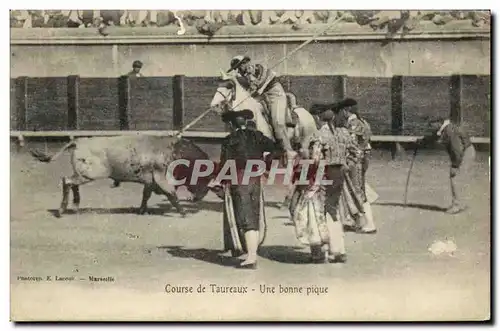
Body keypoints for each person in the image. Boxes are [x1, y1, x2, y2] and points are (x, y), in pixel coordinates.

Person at [217, 109, 277, 269]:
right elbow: (274, 147)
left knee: (245, 217)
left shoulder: (229, 140)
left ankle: (251, 257)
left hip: (239, 179)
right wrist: (266, 163)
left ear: (230, 124)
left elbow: (225, 164)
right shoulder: (257, 135)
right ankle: (252, 253)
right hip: (255, 179)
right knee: (254, 213)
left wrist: (219, 181)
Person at [227, 55, 297, 162]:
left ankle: (288, 150)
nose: (237, 70)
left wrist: (251, 81)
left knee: (277, 122)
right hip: (261, 97)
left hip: (275, 94)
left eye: (238, 67)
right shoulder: (243, 76)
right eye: (235, 69)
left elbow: (260, 84)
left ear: (244, 63)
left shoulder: (259, 68)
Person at [289, 137, 346, 263]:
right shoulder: (330, 163)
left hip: (313, 195)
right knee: (332, 219)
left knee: (313, 224)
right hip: (329, 193)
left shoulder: (306, 163)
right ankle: (337, 250)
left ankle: (318, 254)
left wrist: (294, 198)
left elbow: (300, 183)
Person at [416, 118, 476, 214]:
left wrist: (455, 166)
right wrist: (422, 141)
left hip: (465, 153)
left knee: (455, 177)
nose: (430, 127)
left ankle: (457, 205)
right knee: (458, 178)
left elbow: (457, 149)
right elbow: (434, 137)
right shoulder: (445, 128)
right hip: (466, 151)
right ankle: (461, 203)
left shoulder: (449, 131)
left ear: (439, 123)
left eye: (431, 125)